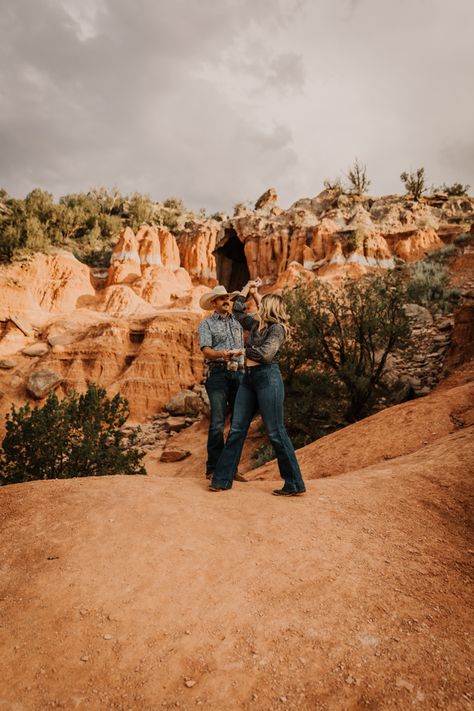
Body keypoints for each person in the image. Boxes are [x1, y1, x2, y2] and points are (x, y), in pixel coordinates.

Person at [209, 279, 306, 496]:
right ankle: (221, 480)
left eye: (262, 304)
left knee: (275, 432)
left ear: (268, 309)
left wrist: (243, 351)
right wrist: (249, 290)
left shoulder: (277, 329)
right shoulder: (254, 324)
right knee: (236, 429)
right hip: (248, 380)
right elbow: (236, 310)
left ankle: (294, 483)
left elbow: (265, 355)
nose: (257, 307)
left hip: (268, 379)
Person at [198, 285, 248, 482]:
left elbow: (258, 315)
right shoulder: (206, 324)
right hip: (218, 373)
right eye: (221, 299)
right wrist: (223, 354)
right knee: (218, 423)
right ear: (214, 303)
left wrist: (250, 289)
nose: (226, 301)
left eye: (227, 298)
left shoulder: (238, 320)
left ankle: (231, 469)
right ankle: (212, 469)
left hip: (240, 374)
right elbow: (206, 350)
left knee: (238, 423)